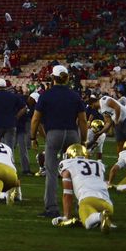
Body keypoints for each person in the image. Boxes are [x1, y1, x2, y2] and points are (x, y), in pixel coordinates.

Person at [30, 64, 87, 219]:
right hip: (72, 133)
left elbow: (35, 119)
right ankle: (79, 205)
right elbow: (82, 120)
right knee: (76, 173)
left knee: (52, 172)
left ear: (52, 78)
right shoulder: (75, 95)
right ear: (67, 77)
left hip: (53, 133)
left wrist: (33, 137)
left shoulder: (46, 95)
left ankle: (52, 208)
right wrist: (84, 140)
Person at [54, 144, 114, 231]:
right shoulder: (98, 164)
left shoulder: (67, 164)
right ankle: (102, 217)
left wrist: (67, 217)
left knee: (87, 223)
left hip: (88, 200)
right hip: (108, 204)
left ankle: (100, 216)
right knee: (89, 214)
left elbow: (67, 194)